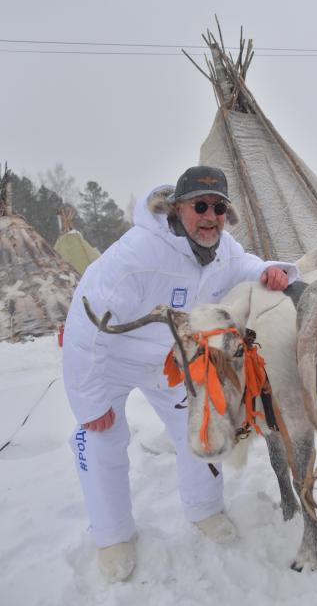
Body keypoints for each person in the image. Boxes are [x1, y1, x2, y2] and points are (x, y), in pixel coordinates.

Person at [62, 165, 298, 583]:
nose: (210, 216)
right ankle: (113, 535)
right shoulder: (138, 256)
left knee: (201, 425)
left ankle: (204, 509)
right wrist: (89, 401)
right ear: (177, 208)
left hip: (167, 360)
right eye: (200, 206)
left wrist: (268, 271)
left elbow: (242, 264)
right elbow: (86, 327)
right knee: (103, 439)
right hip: (109, 359)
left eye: (219, 208)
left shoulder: (221, 247)